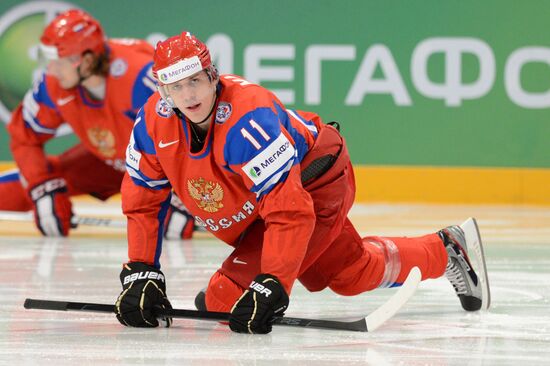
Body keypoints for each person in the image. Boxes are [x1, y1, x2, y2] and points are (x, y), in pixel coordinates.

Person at [114, 31, 490, 334]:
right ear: (162, 92)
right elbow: (142, 200)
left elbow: (289, 210)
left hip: (315, 183)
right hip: (264, 203)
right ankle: (446, 249)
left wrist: (272, 282)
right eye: (175, 87)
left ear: (213, 76)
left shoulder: (249, 120)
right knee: (348, 274)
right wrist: (141, 269)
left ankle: (238, 284)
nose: (188, 95)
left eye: (195, 81)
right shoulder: (152, 123)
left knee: (225, 298)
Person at [0, 9, 195, 239]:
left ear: (88, 59)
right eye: (49, 60)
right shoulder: (53, 84)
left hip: (167, 165)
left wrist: (187, 197)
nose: (51, 70)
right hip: (110, 161)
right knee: (35, 180)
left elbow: (197, 133)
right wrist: (41, 187)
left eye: (59, 61)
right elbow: (25, 136)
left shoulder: (140, 76)